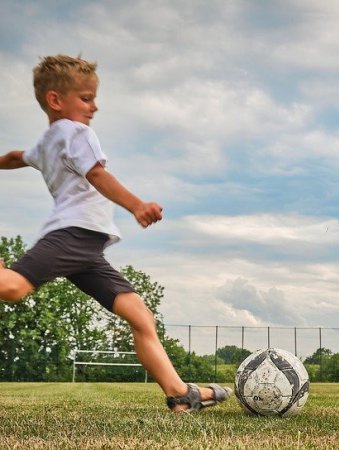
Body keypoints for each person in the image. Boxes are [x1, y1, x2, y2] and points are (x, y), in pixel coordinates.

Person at [0, 54, 231, 412]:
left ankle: (180, 395)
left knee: (140, 316)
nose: (95, 106)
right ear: (55, 100)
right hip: (72, 235)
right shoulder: (76, 132)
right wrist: (136, 205)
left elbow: (18, 156)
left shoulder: (47, 141)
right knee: (12, 287)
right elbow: (96, 174)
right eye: (86, 98)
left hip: (87, 249)